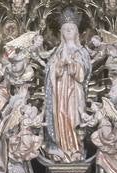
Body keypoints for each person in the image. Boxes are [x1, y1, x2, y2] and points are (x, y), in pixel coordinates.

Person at [44, 11, 91, 162]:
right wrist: (59, 65)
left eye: (71, 28)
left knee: (72, 117)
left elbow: (84, 73)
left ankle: (75, 149)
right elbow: (49, 72)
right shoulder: (56, 52)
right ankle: (62, 149)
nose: (68, 31)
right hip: (59, 92)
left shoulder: (81, 51)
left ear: (77, 31)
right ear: (61, 33)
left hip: (74, 92)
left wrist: (72, 64)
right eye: (65, 29)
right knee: (62, 115)